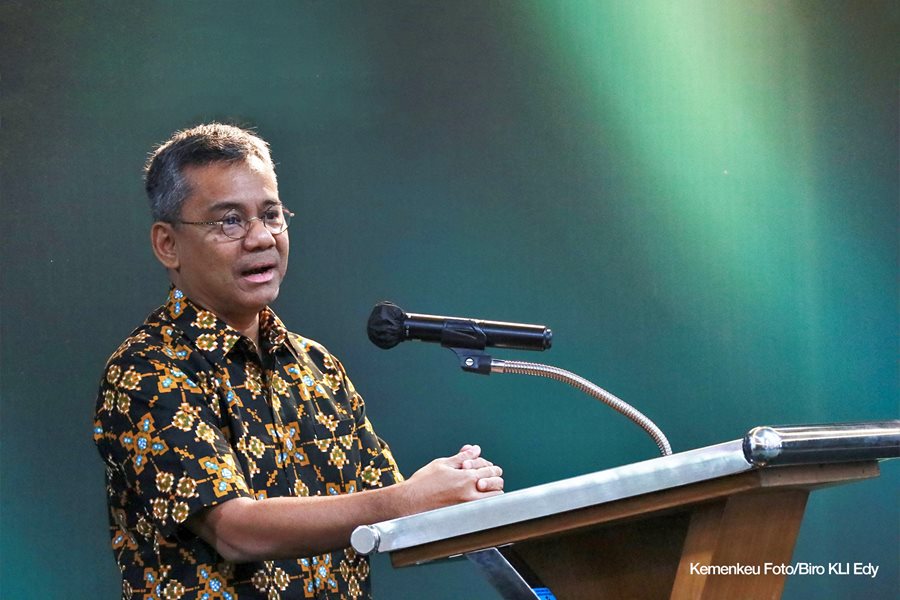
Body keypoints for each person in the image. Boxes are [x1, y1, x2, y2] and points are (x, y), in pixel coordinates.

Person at [93, 123, 504, 600]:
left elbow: (390, 513)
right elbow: (236, 532)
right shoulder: (146, 370)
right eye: (230, 221)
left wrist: (458, 488)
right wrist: (407, 499)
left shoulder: (315, 366)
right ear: (167, 244)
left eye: (271, 215)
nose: (260, 238)